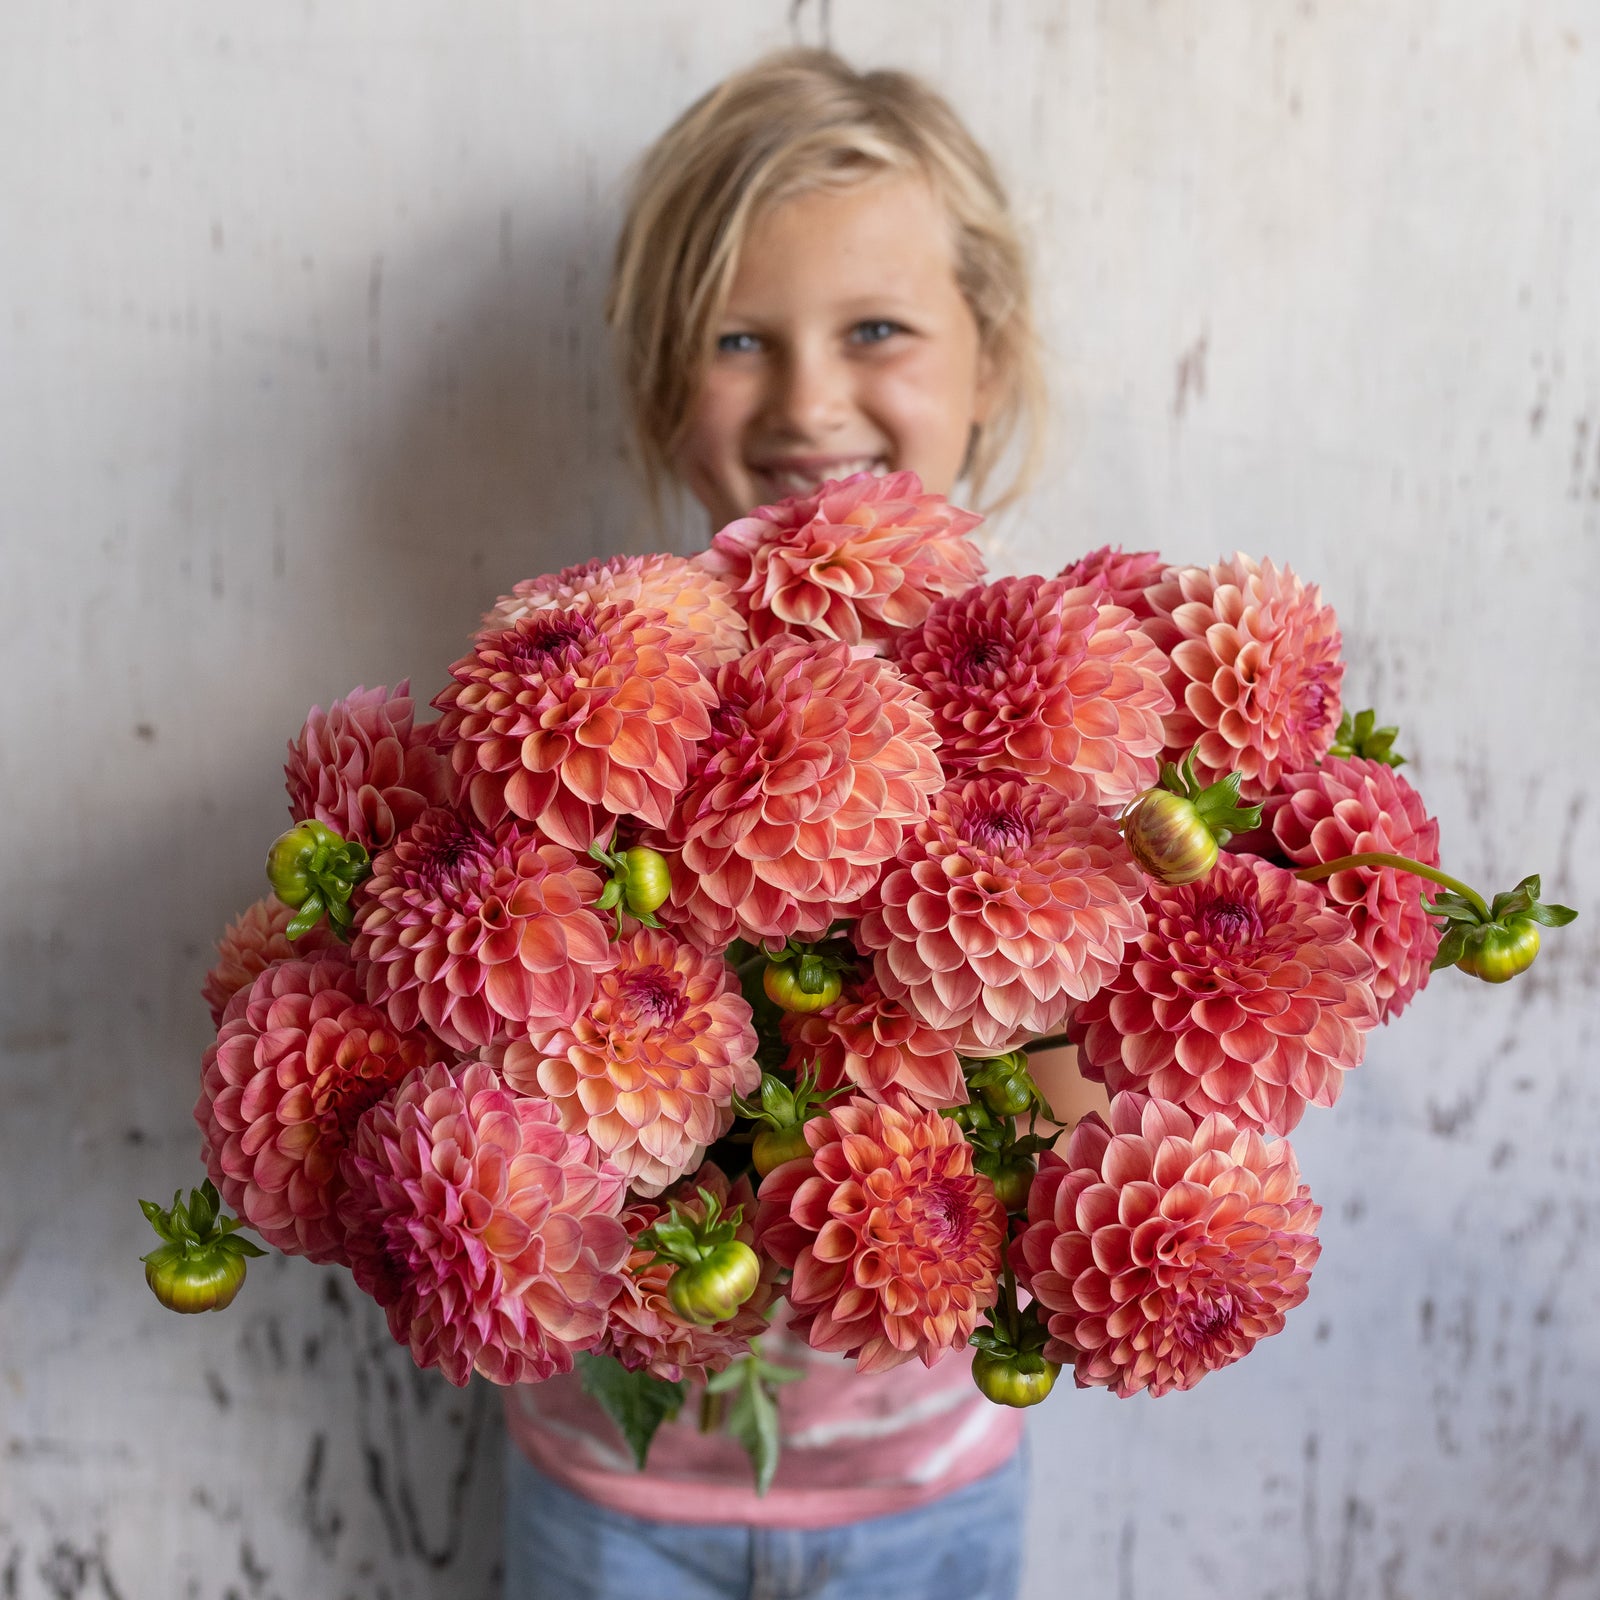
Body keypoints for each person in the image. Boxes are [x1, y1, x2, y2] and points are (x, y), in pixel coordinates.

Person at [501, 46, 1106, 1600]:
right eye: (739, 340)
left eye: (878, 331)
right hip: (611, 1491)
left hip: (923, 1492)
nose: (811, 400)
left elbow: (1080, 1121)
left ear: (992, 355)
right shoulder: (587, 709)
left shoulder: (1074, 727)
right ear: (657, 378)